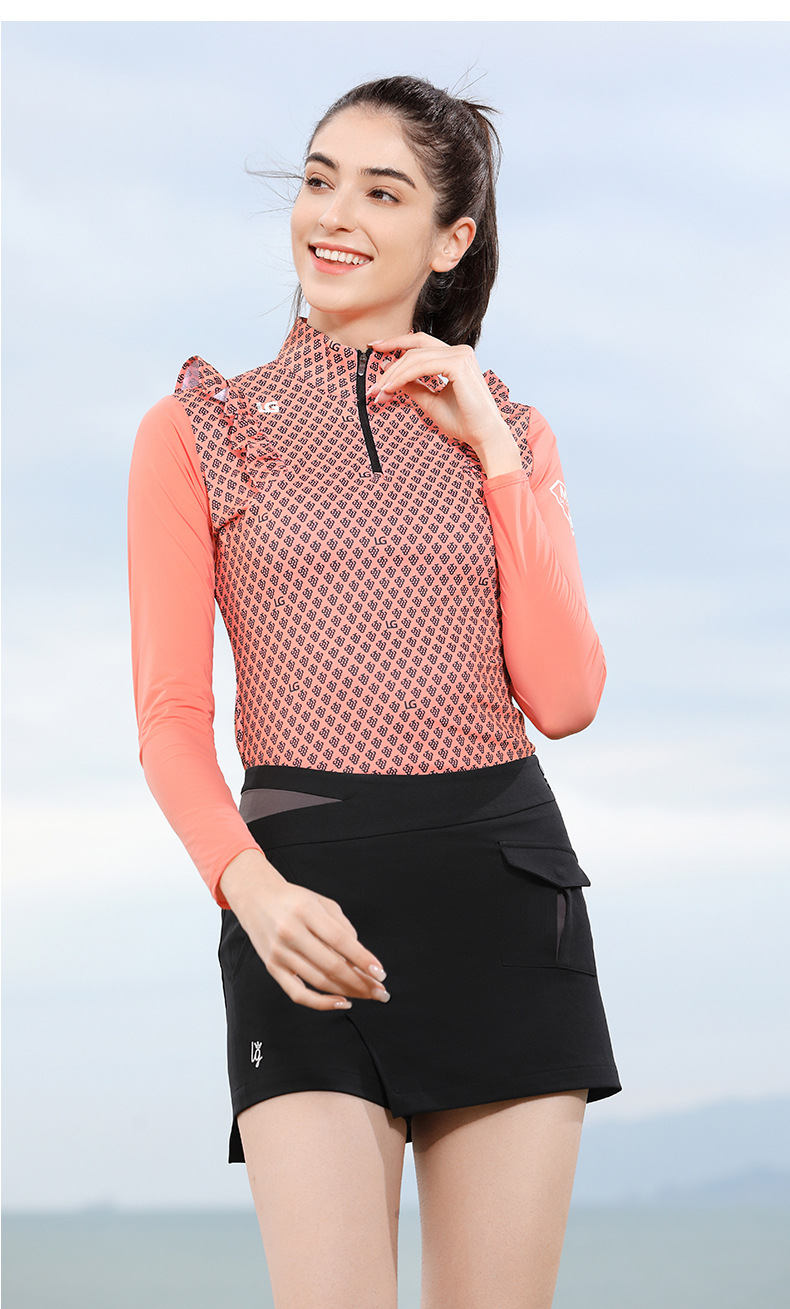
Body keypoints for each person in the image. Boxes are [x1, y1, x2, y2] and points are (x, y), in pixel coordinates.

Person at [127, 73, 620, 1309]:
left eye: (382, 192)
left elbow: (564, 696)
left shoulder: (514, 429)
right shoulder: (199, 427)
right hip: (302, 908)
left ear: (450, 240)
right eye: (318, 180)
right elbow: (170, 719)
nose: (333, 215)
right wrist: (251, 891)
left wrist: (493, 452)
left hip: (504, 896)